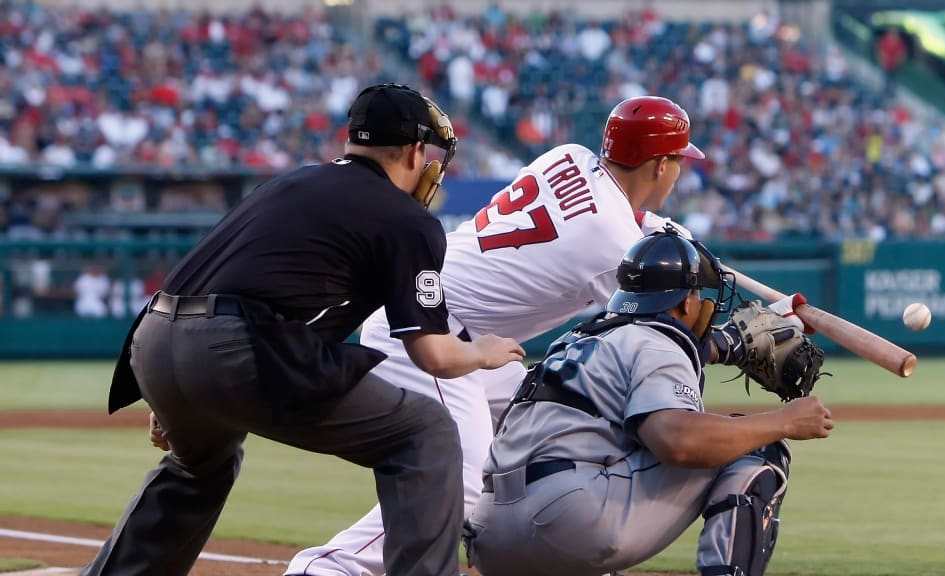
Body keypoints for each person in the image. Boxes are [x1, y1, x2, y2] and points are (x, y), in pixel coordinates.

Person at [286, 96, 744, 576]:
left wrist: (685, 238)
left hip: (472, 344)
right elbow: (668, 329)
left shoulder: (568, 157)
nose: (679, 173)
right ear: (660, 164)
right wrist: (733, 339)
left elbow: (635, 219)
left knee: (556, 435)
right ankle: (327, 569)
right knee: (459, 478)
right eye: (677, 161)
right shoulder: (612, 245)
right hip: (429, 333)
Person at [83, 83, 525, 576]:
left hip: (156, 336)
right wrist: (483, 351)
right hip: (233, 344)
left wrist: (172, 390)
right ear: (416, 151)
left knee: (200, 465)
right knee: (427, 433)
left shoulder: (290, 183)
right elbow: (435, 356)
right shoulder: (406, 220)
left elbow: (212, 270)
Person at [464, 229, 834, 576]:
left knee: (614, 451)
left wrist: (727, 345)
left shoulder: (580, 340)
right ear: (686, 300)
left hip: (492, 532)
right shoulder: (658, 345)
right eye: (701, 295)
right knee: (758, 446)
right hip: (567, 518)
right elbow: (677, 441)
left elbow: (658, 351)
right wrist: (783, 421)